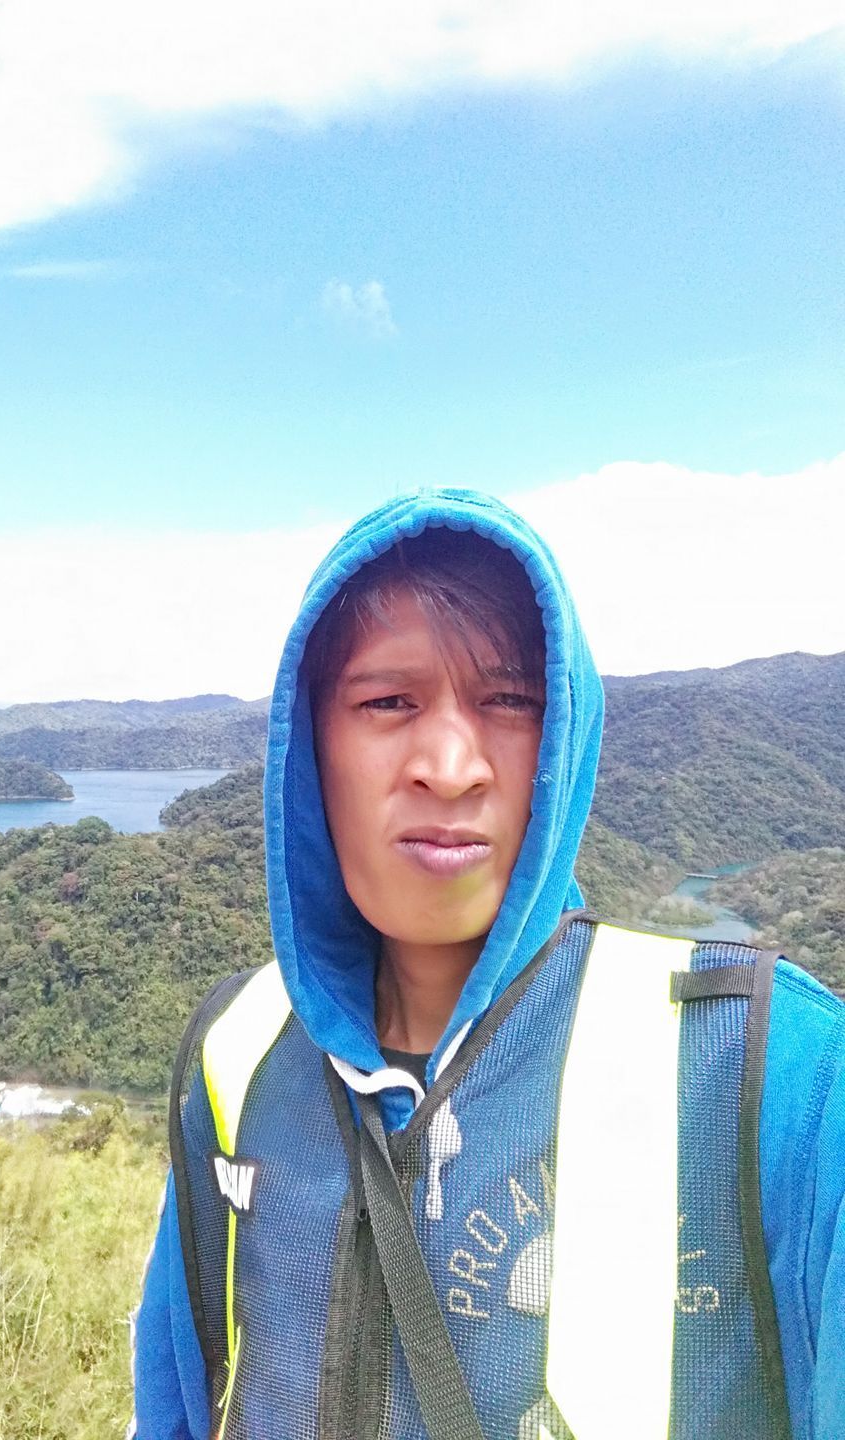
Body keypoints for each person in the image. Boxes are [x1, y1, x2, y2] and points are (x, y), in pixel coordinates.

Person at [132, 490, 845, 1439]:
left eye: (509, 700)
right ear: (309, 751)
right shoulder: (239, 1062)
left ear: (562, 742)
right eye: (388, 701)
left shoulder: (775, 1075)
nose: (451, 765)